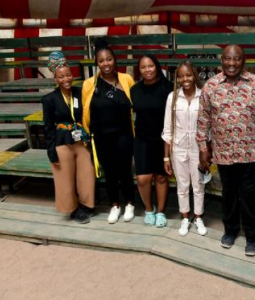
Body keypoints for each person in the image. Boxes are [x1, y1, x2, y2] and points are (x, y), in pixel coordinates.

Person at [197, 44, 255, 256]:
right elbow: (203, 121)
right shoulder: (210, 87)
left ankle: (252, 236)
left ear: (243, 60)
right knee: (228, 195)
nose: (232, 63)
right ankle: (230, 231)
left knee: (251, 197)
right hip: (224, 153)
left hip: (252, 153)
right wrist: (203, 148)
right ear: (222, 60)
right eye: (228, 59)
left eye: (236, 59)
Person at [82, 39, 136, 224]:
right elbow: (85, 111)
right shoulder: (89, 84)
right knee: (110, 172)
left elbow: (134, 105)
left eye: (109, 59)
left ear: (115, 60)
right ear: (97, 63)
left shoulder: (126, 79)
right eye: (101, 61)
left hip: (123, 134)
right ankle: (114, 205)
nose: (106, 64)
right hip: (101, 136)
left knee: (125, 170)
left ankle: (130, 202)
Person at [42, 51, 95, 224]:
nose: (66, 79)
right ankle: (72, 209)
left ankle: (87, 205)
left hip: (81, 140)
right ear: (55, 79)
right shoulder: (49, 99)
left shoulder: (80, 92)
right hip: (61, 142)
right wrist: (51, 151)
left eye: (68, 75)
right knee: (64, 178)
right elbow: (48, 127)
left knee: (86, 174)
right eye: (61, 76)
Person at [162, 60, 207, 236]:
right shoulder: (172, 97)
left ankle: (198, 218)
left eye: (188, 75)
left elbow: (207, 127)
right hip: (178, 148)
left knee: (198, 185)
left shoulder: (203, 96)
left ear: (194, 75)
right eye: (181, 76)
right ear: (177, 78)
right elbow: (168, 128)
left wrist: (206, 152)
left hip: (197, 148)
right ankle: (185, 218)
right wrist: (166, 157)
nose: (185, 79)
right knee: (182, 185)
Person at [131, 55, 173, 227]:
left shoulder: (169, 88)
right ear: (139, 70)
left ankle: (161, 211)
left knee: (161, 178)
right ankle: (149, 209)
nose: (147, 69)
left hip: (162, 139)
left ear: (157, 67)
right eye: (143, 67)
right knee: (143, 179)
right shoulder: (135, 90)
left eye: (150, 66)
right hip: (142, 139)